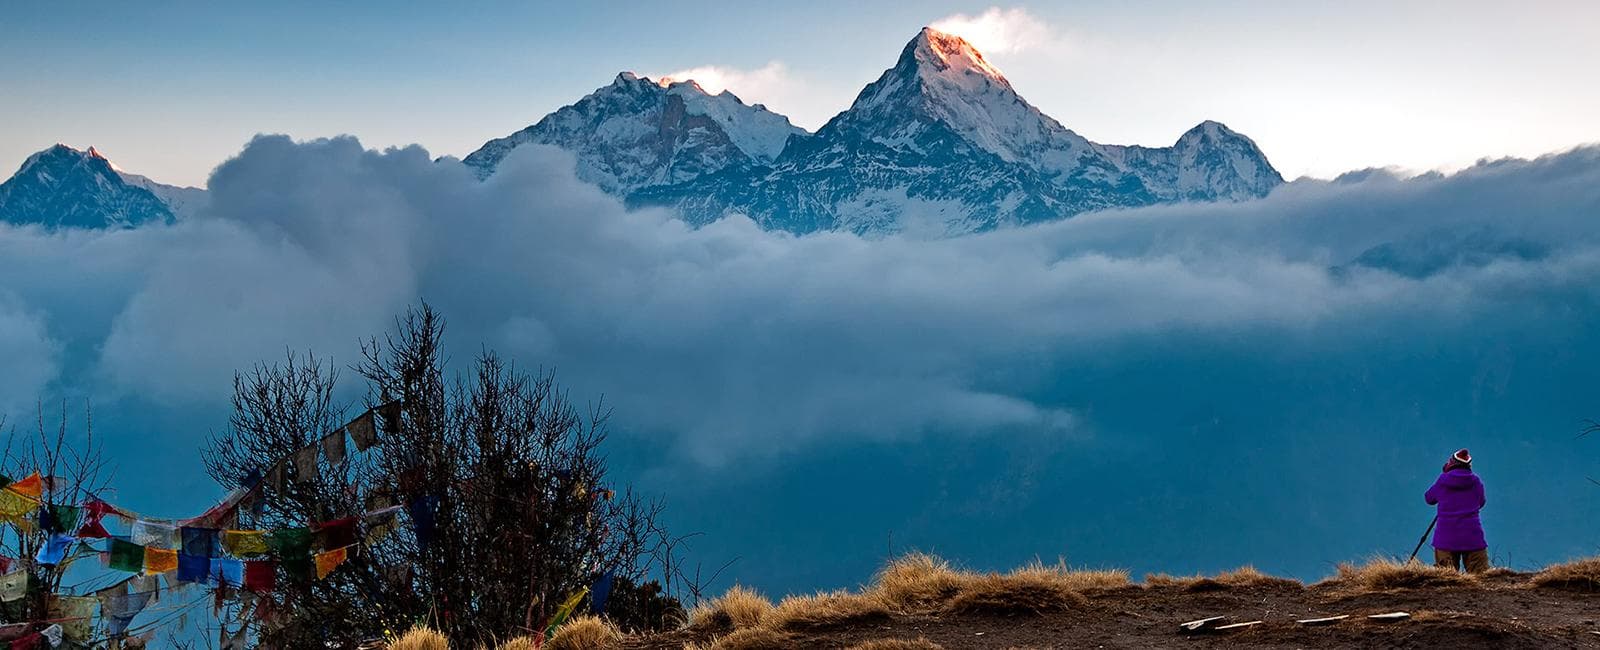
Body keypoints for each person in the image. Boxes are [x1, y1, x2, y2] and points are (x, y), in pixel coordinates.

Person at [1424, 448, 1488, 573]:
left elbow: (1429, 498)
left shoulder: (1443, 480)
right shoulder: (1476, 481)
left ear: (1451, 463)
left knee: (1446, 579)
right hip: (1472, 536)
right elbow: (1481, 502)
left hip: (1445, 537)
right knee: (1481, 578)